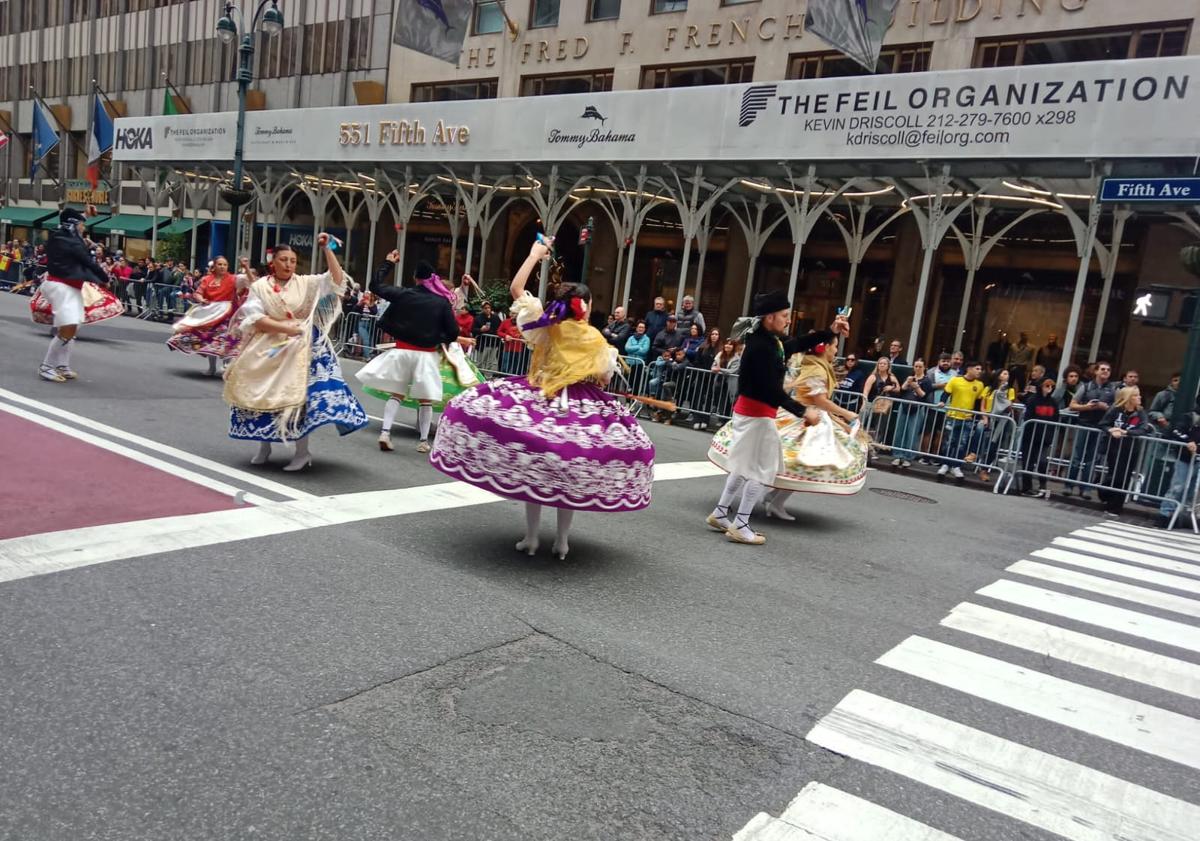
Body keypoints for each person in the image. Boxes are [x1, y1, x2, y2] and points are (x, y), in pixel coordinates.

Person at [429, 238, 655, 560]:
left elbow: (517, 290)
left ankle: (532, 537)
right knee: (567, 477)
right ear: (586, 306)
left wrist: (534, 255)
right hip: (580, 402)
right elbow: (605, 377)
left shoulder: (547, 326)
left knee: (535, 469)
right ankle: (562, 541)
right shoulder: (595, 337)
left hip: (540, 393)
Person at [705, 291, 848, 545]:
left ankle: (720, 513)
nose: (788, 320)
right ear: (770, 317)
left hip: (754, 413)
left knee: (744, 467)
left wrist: (830, 331)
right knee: (763, 470)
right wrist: (803, 411)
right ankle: (741, 524)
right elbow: (770, 390)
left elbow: (797, 344)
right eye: (784, 316)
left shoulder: (770, 341)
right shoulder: (762, 346)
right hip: (757, 414)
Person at [223, 238, 368, 471]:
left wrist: (326, 249)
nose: (289, 264)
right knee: (264, 393)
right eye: (284, 260)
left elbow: (336, 279)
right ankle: (265, 445)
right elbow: (254, 317)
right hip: (270, 343)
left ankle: (302, 452)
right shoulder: (261, 287)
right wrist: (285, 328)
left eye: (293, 260)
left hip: (306, 344)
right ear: (274, 262)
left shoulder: (306, 283)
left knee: (300, 399)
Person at [739, 336, 867, 517]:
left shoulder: (816, 366)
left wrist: (842, 423)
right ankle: (759, 505)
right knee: (800, 462)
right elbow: (820, 401)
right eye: (835, 346)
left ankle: (773, 499)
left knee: (796, 463)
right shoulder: (817, 370)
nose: (836, 351)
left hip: (810, 417)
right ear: (826, 347)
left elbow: (822, 405)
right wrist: (847, 414)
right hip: (805, 419)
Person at [356, 253, 470, 454]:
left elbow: (375, 285)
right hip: (426, 354)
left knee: (396, 393)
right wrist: (437, 336)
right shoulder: (441, 303)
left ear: (415, 278)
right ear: (432, 278)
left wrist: (388, 262)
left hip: (401, 350)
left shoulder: (404, 294)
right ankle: (424, 441)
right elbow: (452, 332)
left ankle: (385, 432)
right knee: (425, 398)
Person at [33, 206, 113, 383]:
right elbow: (87, 261)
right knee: (69, 327)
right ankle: (46, 367)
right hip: (62, 287)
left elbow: (69, 219)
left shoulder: (62, 235)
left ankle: (62, 365)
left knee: (74, 326)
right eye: (82, 225)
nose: (84, 228)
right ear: (74, 225)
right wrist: (104, 278)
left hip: (69, 286)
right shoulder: (71, 242)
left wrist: (86, 214)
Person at [166, 255, 246, 376]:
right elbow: (198, 293)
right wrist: (202, 299)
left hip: (228, 314)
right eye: (220, 264)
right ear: (214, 266)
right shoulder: (207, 279)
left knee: (228, 339)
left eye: (225, 264)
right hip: (210, 313)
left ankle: (226, 365)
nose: (223, 267)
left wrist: (246, 267)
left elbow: (247, 283)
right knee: (210, 339)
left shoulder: (232, 279)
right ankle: (212, 368)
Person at [1097, 387, 1156, 515]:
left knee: (1124, 477)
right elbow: (1103, 423)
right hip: (1114, 447)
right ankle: (1106, 497)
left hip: (1131, 449)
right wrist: (1111, 430)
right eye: (1136, 395)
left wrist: (1126, 432)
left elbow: (1144, 429)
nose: (1139, 398)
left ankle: (1117, 506)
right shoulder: (1116, 409)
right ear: (1128, 398)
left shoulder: (1140, 412)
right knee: (1114, 475)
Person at [1066, 361, 1116, 498]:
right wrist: (1088, 407)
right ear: (1096, 371)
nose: (1105, 371)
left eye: (1108, 370)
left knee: (1092, 459)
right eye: (1103, 369)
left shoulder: (1112, 390)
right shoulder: (1086, 387)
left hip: (1100, 427)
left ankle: (1086, 488)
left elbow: (1116, 409)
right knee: (1076, 457)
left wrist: (1105, 408)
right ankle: (1069, 485)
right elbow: (1072, 405)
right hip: (1084, 424)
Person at [936, 362, 987, 480]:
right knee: (949, 441)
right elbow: (946, 393)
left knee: (962, 443)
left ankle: (956, 466)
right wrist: (942, 402)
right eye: (977, 368)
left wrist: (979, 416)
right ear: (969, 369)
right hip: (953, 416)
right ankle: (945, 464)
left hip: (967, 418)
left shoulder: (979, 385)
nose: (979, 371)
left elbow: (979, 402)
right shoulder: (955, 380)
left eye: (980, 369)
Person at [1160, 398, 1200, 523]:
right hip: (1185, 458)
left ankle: (1180, 515)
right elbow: (1176, 431)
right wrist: (1189, 442)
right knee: (1177, 486)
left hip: (1197, 459)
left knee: (1191, 490)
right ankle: (1165, 514)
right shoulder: (1188, 417)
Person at [1019, 377, 1062, 497]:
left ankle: (1042, 486)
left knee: (1043, 461)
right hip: (1031, 436)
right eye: (1047, 386)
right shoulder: (1033, 400)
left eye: (1051, 387)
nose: (1049, 389)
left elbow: (1055, 418)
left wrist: (1050, 433)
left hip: (1045, 437)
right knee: (1028, 461)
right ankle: (1026, 487)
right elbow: (1028, 417)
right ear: (1041, 386)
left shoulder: (1053, 402)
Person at [977, 368, 1017, 481]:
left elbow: (1009, 406)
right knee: (982, 437)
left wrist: (1002, 396)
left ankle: (984, 468)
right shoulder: (988, 389)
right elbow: (982, 405)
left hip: (1001, 420)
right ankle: (975, 456)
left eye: (1007, 374)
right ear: (998, 375)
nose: (1007, 375)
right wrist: (985, 418)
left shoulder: (1010, 390)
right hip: (989, 417)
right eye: (1004, 373)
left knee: (994, 445)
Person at [892, 358, 931, 467]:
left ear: (924, 368)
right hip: (904, 405)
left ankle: (908, 457)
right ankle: (897, 455)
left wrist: (916, 387)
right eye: (916, 366)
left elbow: (924, 396)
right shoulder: (909, 377)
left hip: (917, 407)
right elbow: (901, 391)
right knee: (899, 431)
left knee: (912, 433)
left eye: (920, 367)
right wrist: (907, 382)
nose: (917, 369)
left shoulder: (926, 380)